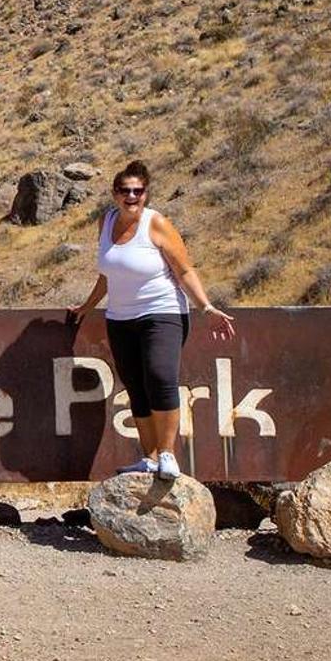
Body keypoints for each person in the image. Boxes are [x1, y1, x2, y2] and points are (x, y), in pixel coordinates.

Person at [67, 160, 236, 479]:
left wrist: (206, 308)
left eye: (138, 191)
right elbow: (109, 273)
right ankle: (151, 457)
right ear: (115, 194)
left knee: (159, 377)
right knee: (136, 387)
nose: (131, 196)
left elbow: (184, 269)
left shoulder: (156, 224)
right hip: (120, 318)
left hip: (162, 312)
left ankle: (168, 454)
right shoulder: (105, 222)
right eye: (125, 191)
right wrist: (88, 305)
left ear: (146, 193)